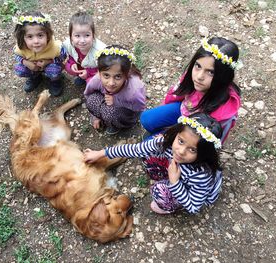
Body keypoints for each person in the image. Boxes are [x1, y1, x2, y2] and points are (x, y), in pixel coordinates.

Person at [84, 113, 223, 214]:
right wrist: (100, 153)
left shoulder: (201, 174)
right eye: (181, 141)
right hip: (174, 171)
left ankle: (171, 206)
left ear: (204, 154)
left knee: (160, 192)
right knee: (147, 153)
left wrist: (175, 183)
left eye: (192, 149)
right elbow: (135, 149)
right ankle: (168, 178)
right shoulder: (165, 142)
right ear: (176, 134)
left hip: (188, 190)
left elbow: (193, 206)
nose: (180, 151)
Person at [140, 37, 242, 143]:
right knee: (146, 119)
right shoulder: (191, 78)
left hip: (193, 136)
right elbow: (176, 94)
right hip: (182, 111)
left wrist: (170, 138)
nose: (199, 76)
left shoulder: (224, 113)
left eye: (211, 72)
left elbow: (210, 143)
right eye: (198, 66)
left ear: (223, 76)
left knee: (149, 147)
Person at [84, 45, 146, 135]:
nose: (111, 83)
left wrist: (117, 101)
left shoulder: (134, 91)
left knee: (110, 115)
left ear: (127, 74)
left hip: (127, 109)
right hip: (107, 101)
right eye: (106, 75)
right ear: (99, 72)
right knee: (91, 100)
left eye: (118, 76)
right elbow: (88, 94)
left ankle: (116, 125)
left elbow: (139, 108)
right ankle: (102, 117)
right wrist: (95, 115)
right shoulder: (96, 80)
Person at [13, 12, 66, 96]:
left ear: (47, 35)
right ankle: (35, 77)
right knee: (19, 69)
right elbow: (16, 56)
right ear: (23, 37)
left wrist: (48, 62)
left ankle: (55, 81)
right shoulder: (21, 47)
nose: (36, 41)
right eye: (30, 37)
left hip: (50, 66)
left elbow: (63, 56)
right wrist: (26, 63)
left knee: (55, 70)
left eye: (40, 35)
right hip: (33, 67)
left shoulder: (55, 47)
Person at [62, 11, 106, 87]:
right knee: (68, 67)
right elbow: (71, 55)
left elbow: (104, 69)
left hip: (95, 71)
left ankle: (88, 80)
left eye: (87, 35)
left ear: (93, 35)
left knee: (91, 83)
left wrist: (88, 72)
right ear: (71, 36)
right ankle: (82, 77)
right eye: (77, 36)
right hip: (82, 66)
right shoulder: (70, 44)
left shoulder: (100, 52)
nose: (82, 41)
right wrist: (72, 63)